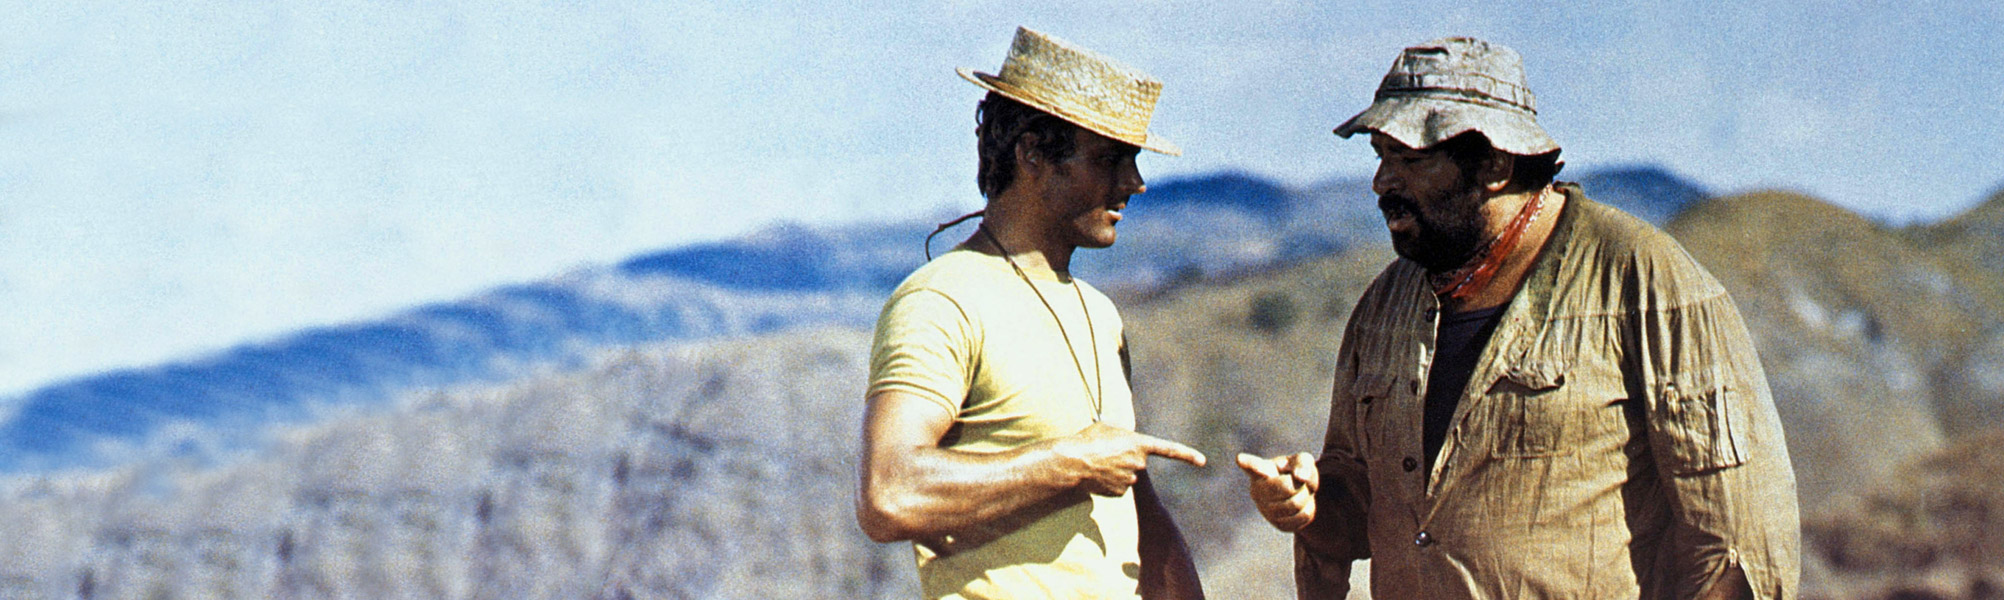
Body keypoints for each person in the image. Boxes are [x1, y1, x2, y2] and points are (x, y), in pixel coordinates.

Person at [1236, 37, 1801, 599]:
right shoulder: (1384, 309)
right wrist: (1307, 505)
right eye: (1380, 156)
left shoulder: (1647, 283)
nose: (1382, 182)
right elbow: (1361, 506)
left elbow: (1738, 545)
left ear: (1494, 164)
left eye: (1409, 158)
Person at [857, 27, 1207, 599]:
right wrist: (1069, 461)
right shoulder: (941, 300)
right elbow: (887, 494)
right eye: (1110, 159)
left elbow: (1138, 513)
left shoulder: (1100, 314)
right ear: (1032, 155)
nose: (1135, 183)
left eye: (1134, 160)